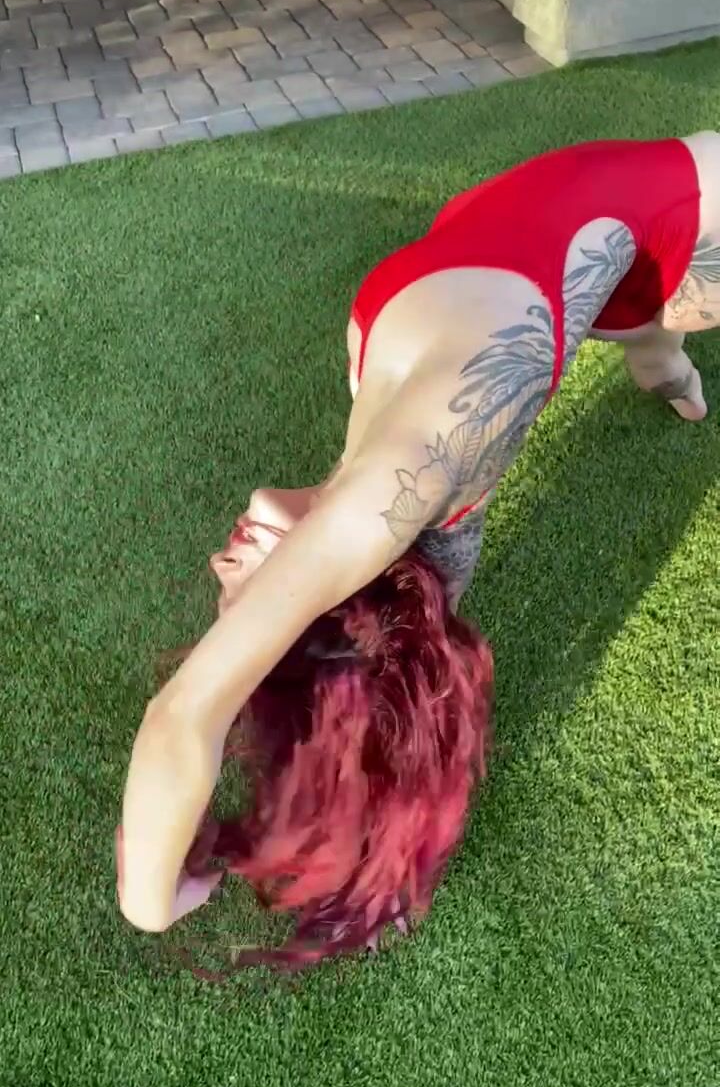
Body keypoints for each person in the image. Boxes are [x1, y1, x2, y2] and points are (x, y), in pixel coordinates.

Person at [117, 131, 720, 965]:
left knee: (648, 315)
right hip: (682, 203)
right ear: (332, 589)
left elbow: (412, 648)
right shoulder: (396, 488)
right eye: (251, 596)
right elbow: (183, 716)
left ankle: (662, 359)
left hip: (597, 238)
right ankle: (662, 352)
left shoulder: (412, 512)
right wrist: (150, 904)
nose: (222, 571)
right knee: (655, 299)